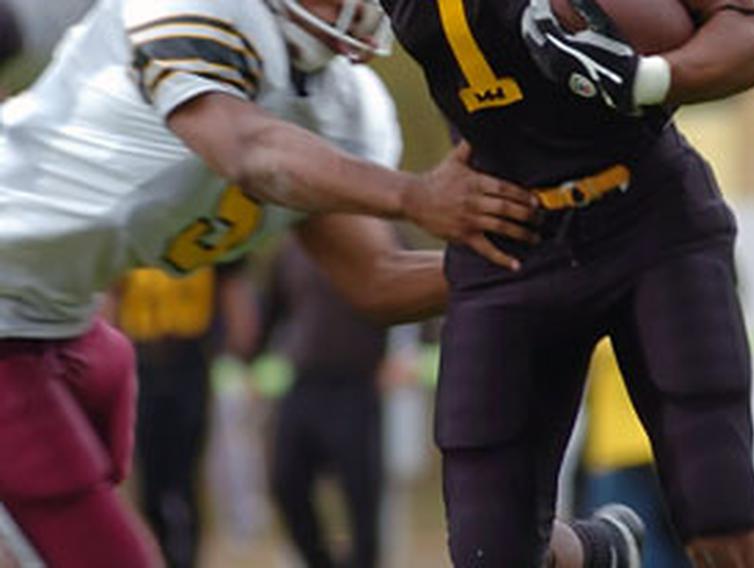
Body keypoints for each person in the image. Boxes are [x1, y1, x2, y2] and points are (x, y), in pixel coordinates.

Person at [0, 0, 541, 564]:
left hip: (59, 327)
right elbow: (249, 149)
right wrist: (411, 195)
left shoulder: (343, 105)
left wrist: (530, 264)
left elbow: (375, 280)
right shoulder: (199, 12)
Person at [377, 0, 754, 565]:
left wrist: (641, 78)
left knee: (722, 520)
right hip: (509, 231)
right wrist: (411, 194)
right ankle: (601, 555)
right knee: (489, 552)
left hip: (648, 215)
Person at [262, 237, 404, 568]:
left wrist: (407, 355)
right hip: (304, 383)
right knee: (286, 480)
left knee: (362, 495)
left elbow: (418, 295)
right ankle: (319, 560)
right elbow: (272, 312)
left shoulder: (381, 236)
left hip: (357, 384)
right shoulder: (294, 246)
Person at [107, 263, 258, 568]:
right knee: (150, 478)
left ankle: (188, 558)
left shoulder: (203, 236)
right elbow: (112, 295)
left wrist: (241, 346)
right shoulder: (131, 235)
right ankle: (159, 553)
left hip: (190, 359)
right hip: (142, 363)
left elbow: (232, 288)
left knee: (187, 476)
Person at [581, 338, 689, 567]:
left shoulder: (591, 320)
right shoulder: (670, 323)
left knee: (629, 550)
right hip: (672, 445)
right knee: (683, 546)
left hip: (618, 452)